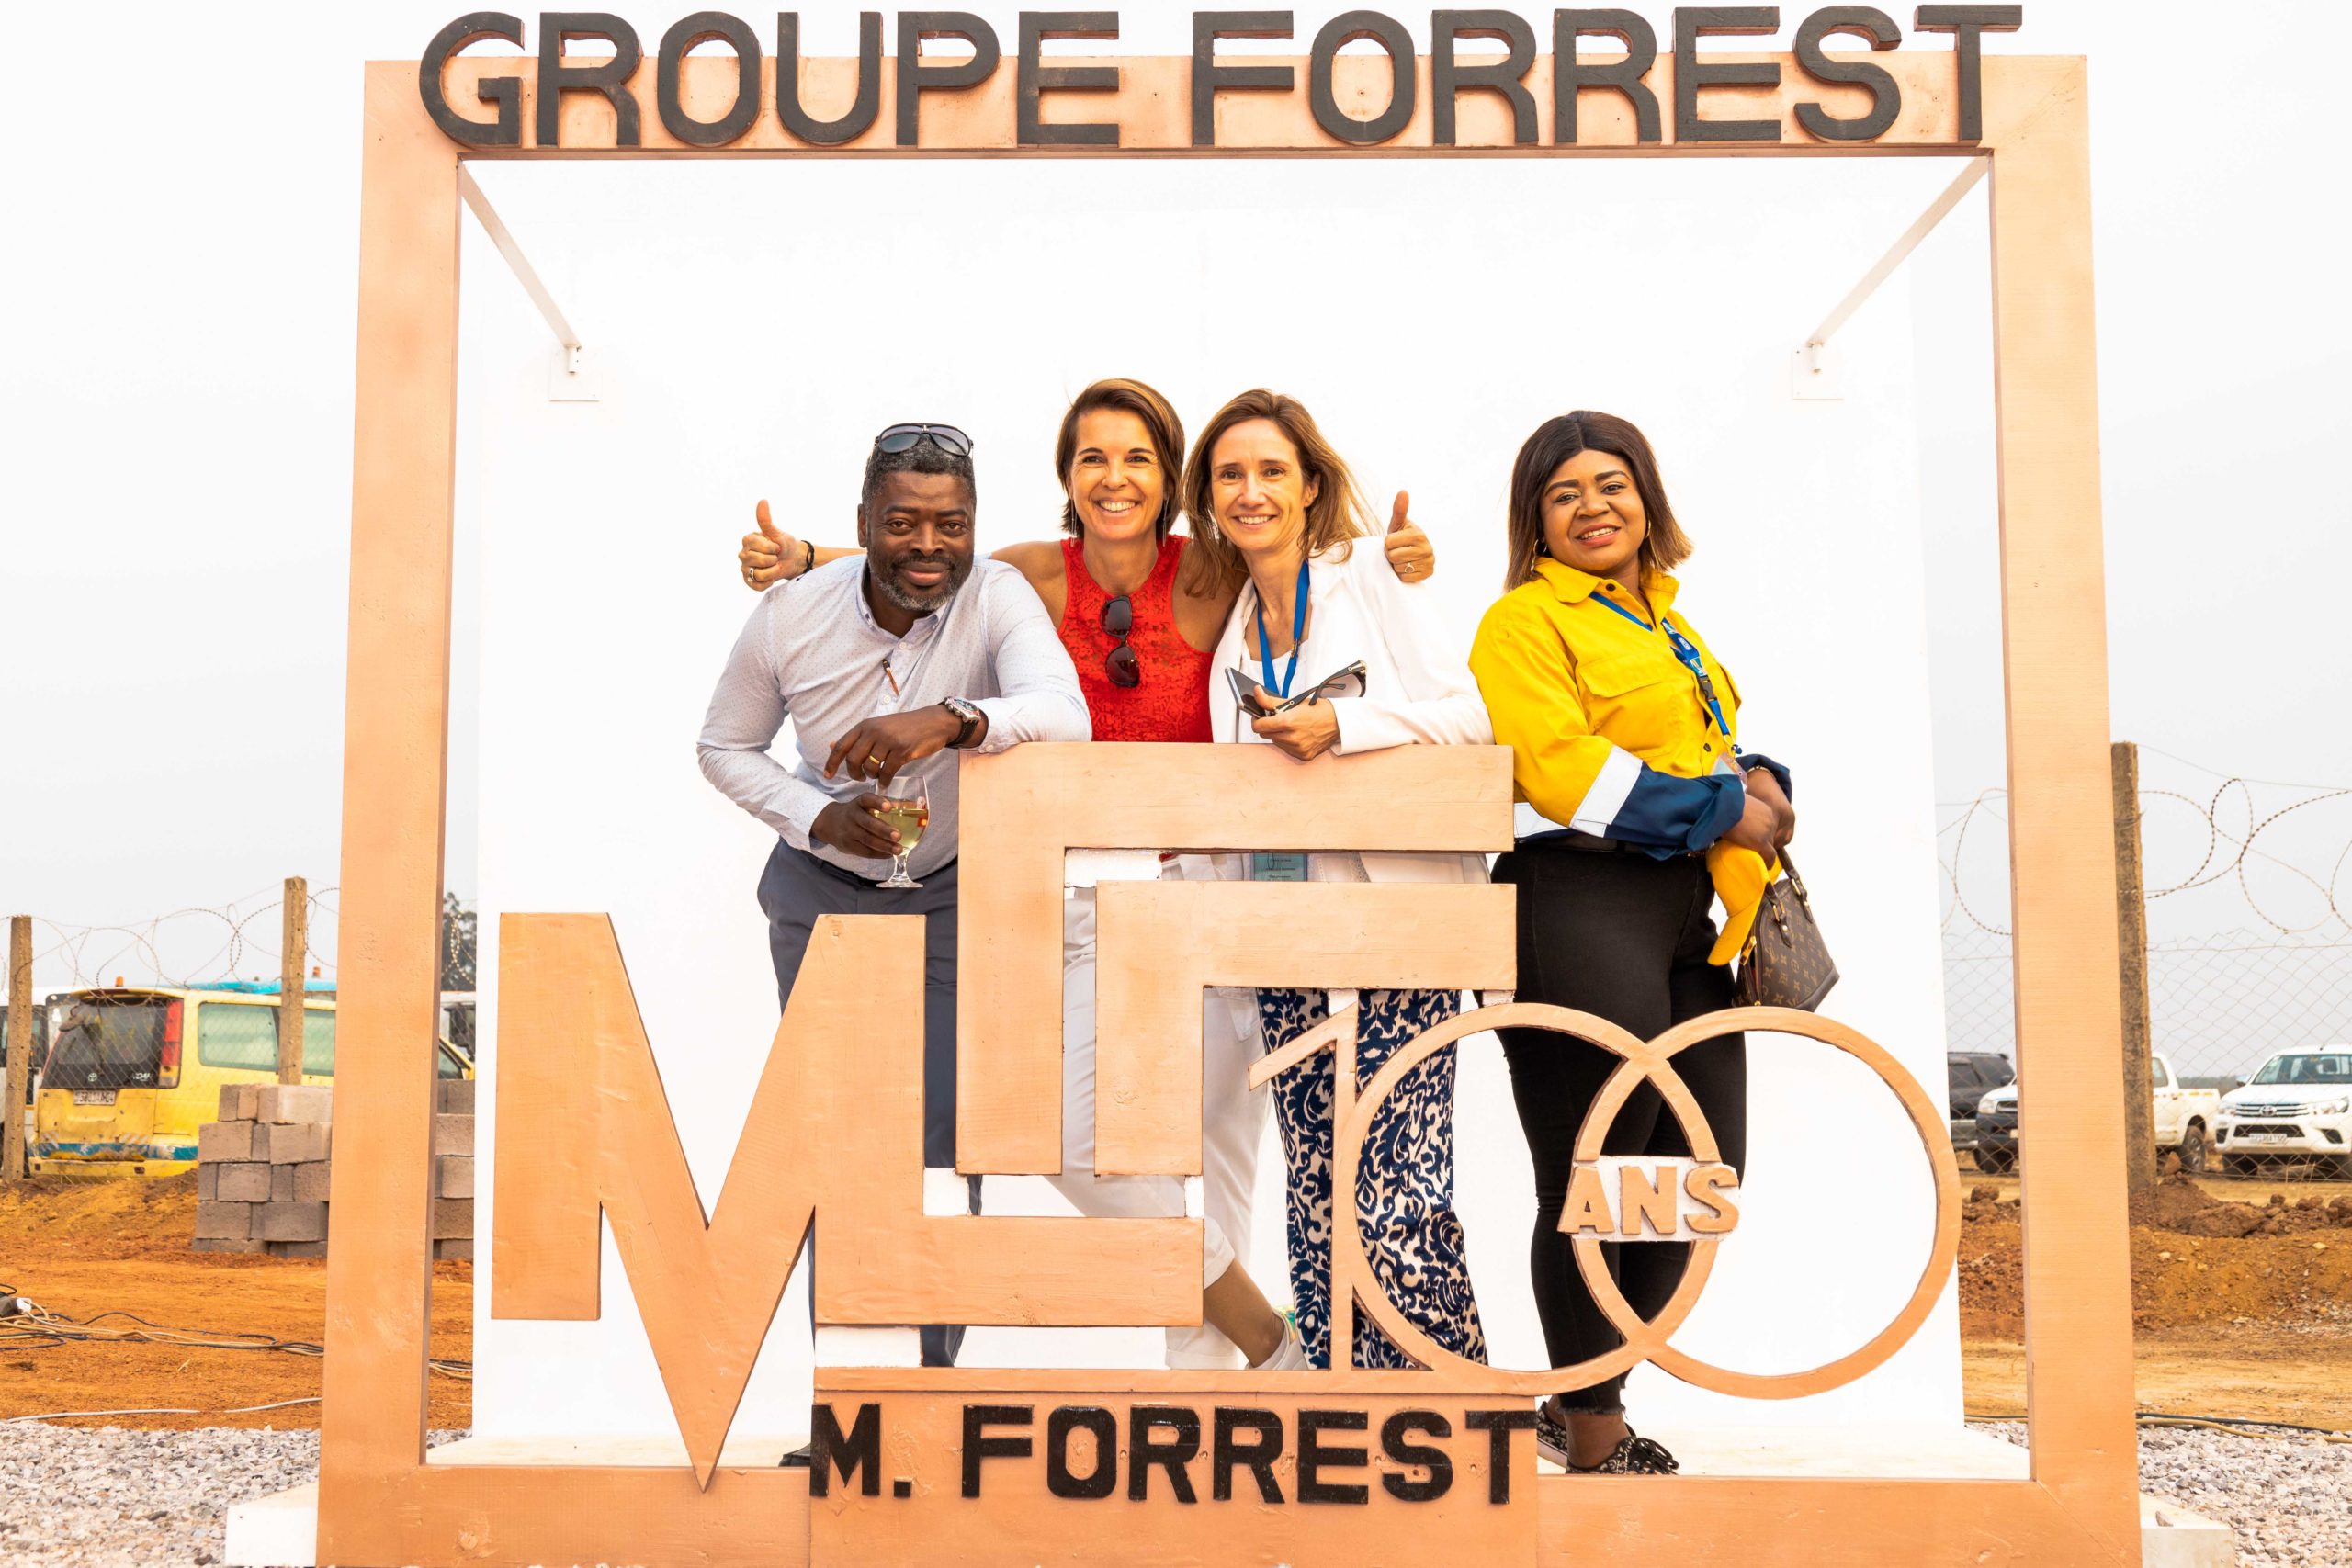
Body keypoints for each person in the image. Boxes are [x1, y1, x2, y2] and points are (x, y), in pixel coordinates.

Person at [734, 380, 1437, 1371]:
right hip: (1069, 902)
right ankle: (1264, 1341)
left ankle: (1216, 1390)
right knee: (1076, 1137)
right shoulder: (1031, 576)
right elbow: (927, 554)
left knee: (1215, 1152)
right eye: (1093, 457)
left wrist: (1388, 562)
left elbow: (1299, 557)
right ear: (1066, 476)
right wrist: (807, 559)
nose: (1115, 478)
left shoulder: (1215, 572)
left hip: (1208, 891)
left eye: (1138, 457)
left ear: (1171, 476)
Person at [696, 421, 1091, 1376]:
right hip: (820, 893)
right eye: (904, 522)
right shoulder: (791, 615)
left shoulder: (995, 594)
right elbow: (723, 747)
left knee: (945, 1137)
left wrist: (952, 718)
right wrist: (816, 818)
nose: (928, 546)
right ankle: (854, 1399)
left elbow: (1064, 713)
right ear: (864, 521)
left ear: (974, 524)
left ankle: (927, 1391)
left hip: (953, 893)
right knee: (839, 1140)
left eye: (951, 524)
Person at [1466, 411, 1794, 1474]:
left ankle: (1581, 1395)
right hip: (1575, 900)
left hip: (1685, 917)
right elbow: (1566, 772)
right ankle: (1592, 1420)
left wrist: (1757, 774)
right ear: (1536, 521)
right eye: (1563, 494)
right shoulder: (1521, 623)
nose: (1592, 507)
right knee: (1595, 1175)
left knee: (1696, 1173)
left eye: (1611, 485)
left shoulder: (1663, 623)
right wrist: (1725, 807)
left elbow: (1691, 746)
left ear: (1646, 500)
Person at [1185, 387, 1491, 1371]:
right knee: (1317, 1192)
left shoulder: (1369, 576)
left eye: (1272, 471)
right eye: (1230, 474)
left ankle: (1450, 1404)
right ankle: (1339, 1399)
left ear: (1310, 486)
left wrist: (1343, 727)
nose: (1251, 491)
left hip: (1396, 932)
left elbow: (1468, 720)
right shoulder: (1230, 626)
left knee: (1397, 1191)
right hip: (1284, 946)